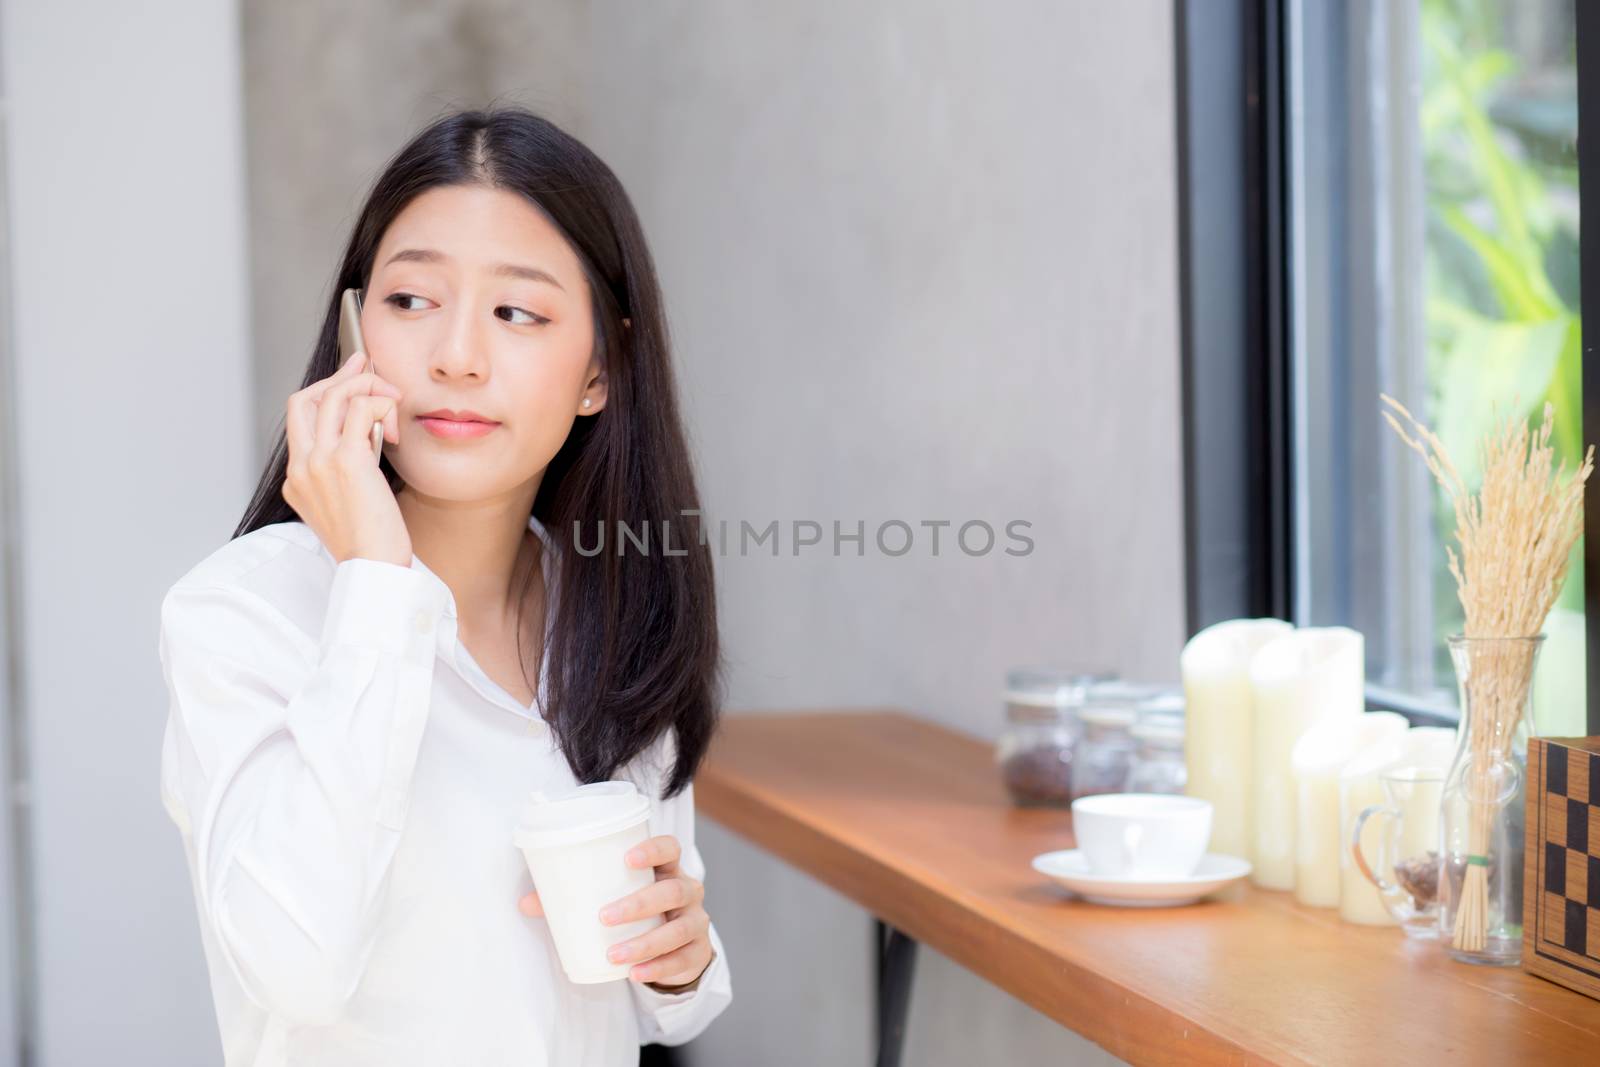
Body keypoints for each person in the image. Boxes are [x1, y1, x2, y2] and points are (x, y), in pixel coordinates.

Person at [157, 105, 732, 1066]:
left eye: (518, 313)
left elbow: (656, 1000)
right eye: (412, 301)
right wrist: (377, 587)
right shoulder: (243, 611)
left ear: (602, 369)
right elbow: (295, 968)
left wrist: (678, 957)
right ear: (354, 333)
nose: (456, 355)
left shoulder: (616, 610)